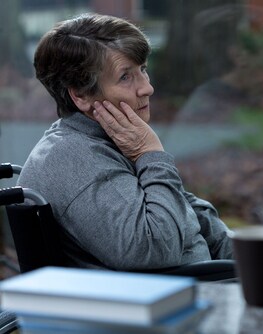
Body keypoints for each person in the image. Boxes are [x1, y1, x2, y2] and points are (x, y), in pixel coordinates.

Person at [17, 13, 233, 271]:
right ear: (81, 95)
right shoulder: (74, 160)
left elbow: (191, 217)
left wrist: (248, 260)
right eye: (125, 77)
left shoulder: (115, 140)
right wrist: (150, 154)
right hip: (173, 299)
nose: (147, 88)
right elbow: (154, 250)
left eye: (143, 69)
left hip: (209, 285)